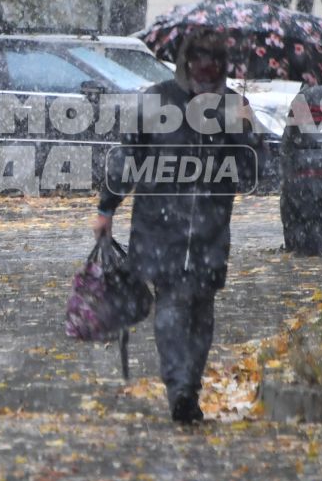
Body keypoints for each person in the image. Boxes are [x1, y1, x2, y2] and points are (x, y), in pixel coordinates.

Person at [89, 27, 258, 424]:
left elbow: (254, 172)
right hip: (160, 228)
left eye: (214, 58)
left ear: (223, 65)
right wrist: (106, 208)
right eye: (198, 56)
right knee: (171, 302)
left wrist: (243, 138)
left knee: (201, 310)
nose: (206, 65)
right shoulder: (156, 100)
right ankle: (178, 388)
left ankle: (188, 388)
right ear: (185, 60)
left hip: (211, 230)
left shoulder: (234, 107)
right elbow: (126, 157)